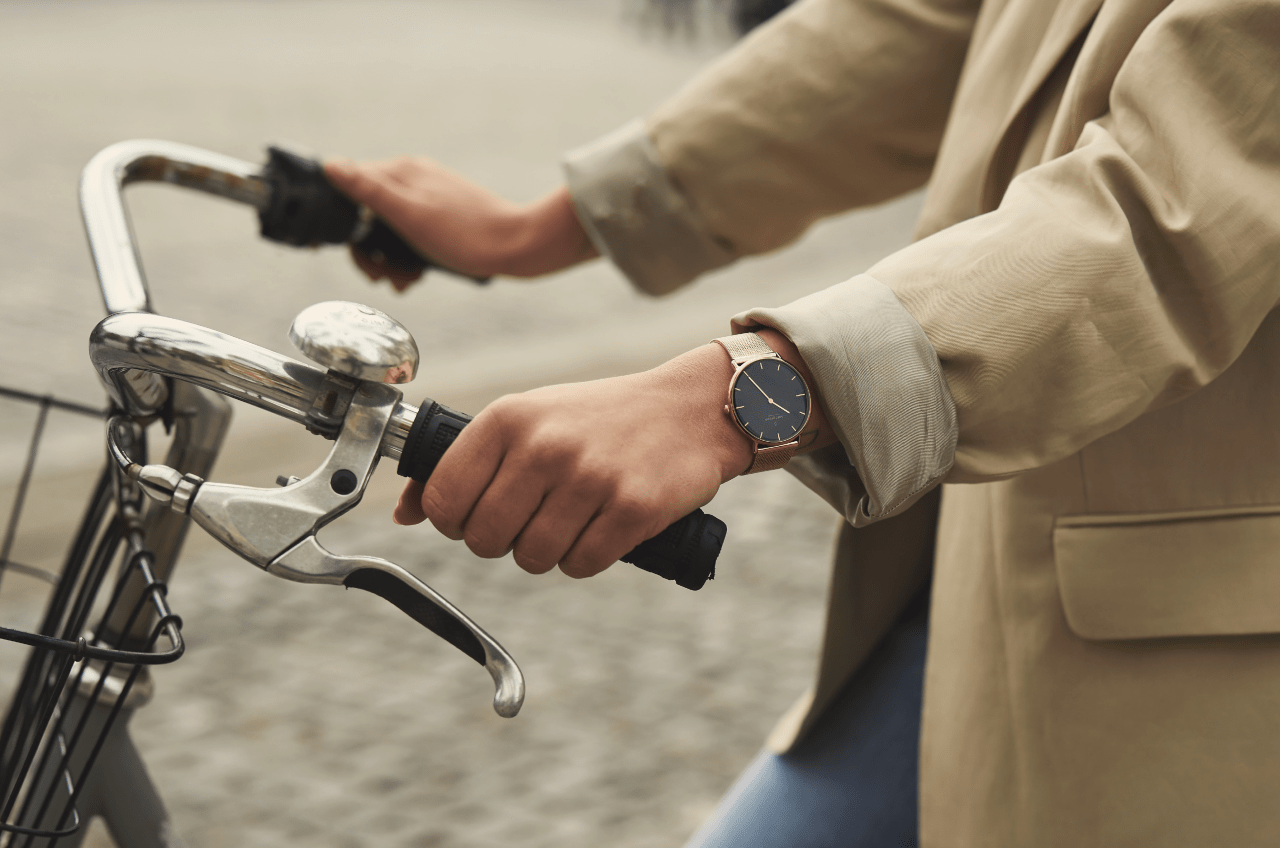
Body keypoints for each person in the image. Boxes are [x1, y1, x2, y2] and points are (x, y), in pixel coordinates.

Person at [324, 0, 1280, 845]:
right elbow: (923, 24)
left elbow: (1179, 200)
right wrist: (548, 225)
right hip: (971, 586)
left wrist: (735, 399)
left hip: (1192, 657)